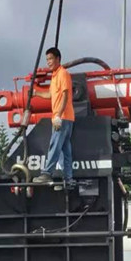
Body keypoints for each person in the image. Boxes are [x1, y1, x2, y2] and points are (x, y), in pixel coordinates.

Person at [32, 47, 75, 188]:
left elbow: (65, 95)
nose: (49, 62)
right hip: (66, 118)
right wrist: (36, 93)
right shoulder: (55, 76)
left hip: (62, 117)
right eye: (47, 60)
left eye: (50, 59)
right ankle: (68, 178)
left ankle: (47, 173)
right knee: (65, 150)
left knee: (55, 145)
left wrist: (58, 115)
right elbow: (50, 95)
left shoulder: (63, 74)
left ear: (58, 59)